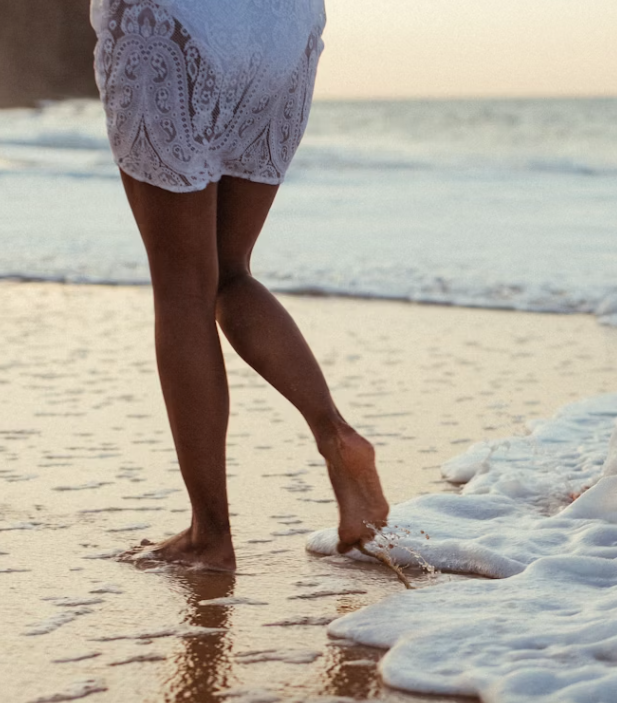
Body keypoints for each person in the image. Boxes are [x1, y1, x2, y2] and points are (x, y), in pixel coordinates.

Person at [91, 0, 388, 571]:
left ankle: (210, 535)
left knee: (183, 291)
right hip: (283, 34)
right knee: (230, 271)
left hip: (174, 26)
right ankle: (336, 437)